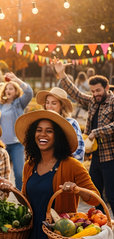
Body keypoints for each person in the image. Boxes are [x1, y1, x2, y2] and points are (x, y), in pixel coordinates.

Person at [3, 110, 100, 239]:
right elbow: (27, 202)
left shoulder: (72, 165)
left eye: (49, 131)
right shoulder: (30, 165)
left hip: (57, 236)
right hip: (30, 235)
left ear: (58, 137)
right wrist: (12, 189)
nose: (42, 134)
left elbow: (95, 198)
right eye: (39, 130)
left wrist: (77, 189)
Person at [54, 58, 114, 210]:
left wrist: (96, 132)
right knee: (95, 195)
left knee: (112, 196)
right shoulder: (93, 100)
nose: (95, 94)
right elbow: (76, 94)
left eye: (98, 91)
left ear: (106, 87)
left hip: (110, 156)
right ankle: (103, 227)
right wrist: (62, 74)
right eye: (93, 91)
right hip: (95, 157)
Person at [0, 72, 33, 190]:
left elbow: (29, 92)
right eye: (6, 88)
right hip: (1, 145)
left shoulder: (19, 104)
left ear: (16, 91)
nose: (8, 90)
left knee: (18, 174)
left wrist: (16, 79)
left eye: (11, 88)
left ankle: (22, 200)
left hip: (16, 144)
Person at [36, 87, 84, 162]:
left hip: (65, 167)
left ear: (62, 106)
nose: (49, 106)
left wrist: (61, 160)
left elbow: (79, 152)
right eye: (47, 102)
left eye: (54, 103)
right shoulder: (41, 124)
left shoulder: (71, 123)